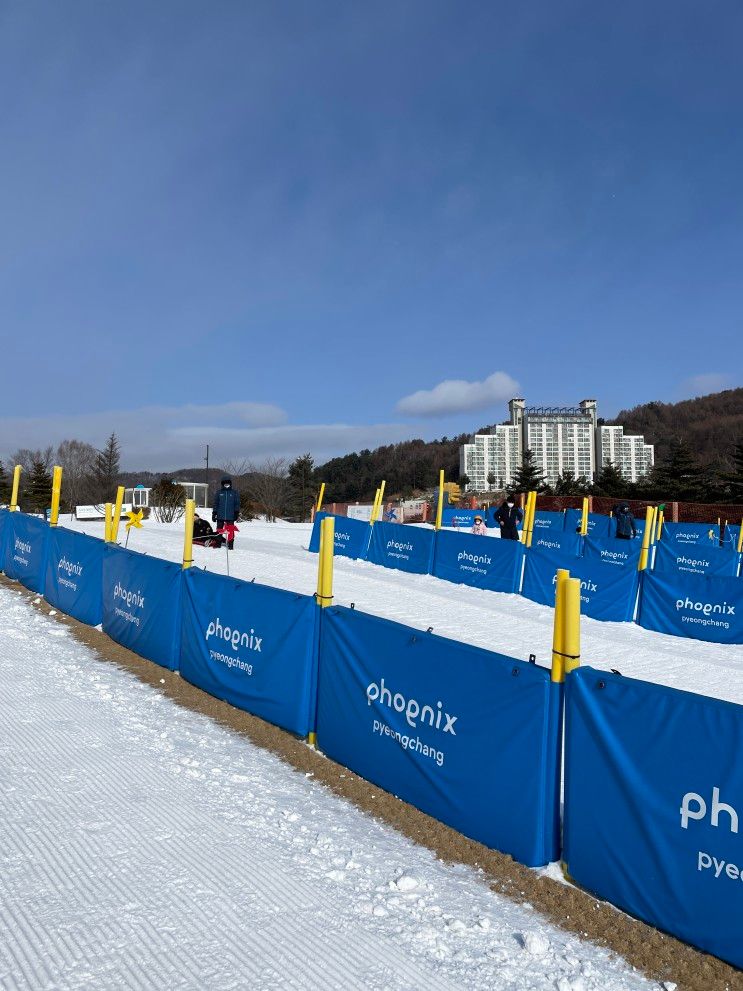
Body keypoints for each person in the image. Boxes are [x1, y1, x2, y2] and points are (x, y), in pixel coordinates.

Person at [212, 476, 240, 549]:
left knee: (231, 531)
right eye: (225, 483)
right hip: (220, 515)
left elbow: (237, 503)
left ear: (230, 484)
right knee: (219, 530)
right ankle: (218, 543)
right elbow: (216, 503)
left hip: (230, 516)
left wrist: (236, 512)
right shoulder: (219, 492)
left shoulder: (234, 493)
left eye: (228, 483)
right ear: (222, 484)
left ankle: (230, 545)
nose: (226, 485)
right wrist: (214, 513)